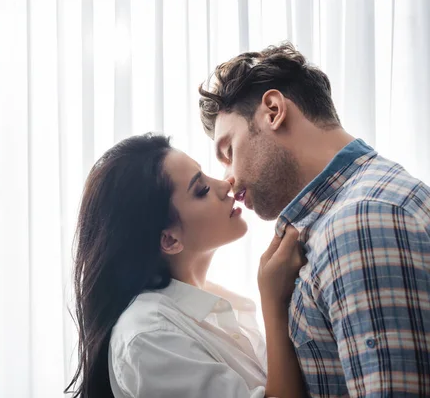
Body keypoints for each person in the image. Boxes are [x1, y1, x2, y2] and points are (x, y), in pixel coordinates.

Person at [199, 42, 430, 397]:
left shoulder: (360, 222)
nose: (227, 178)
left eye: (229, 151)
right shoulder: (349, 214)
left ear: (273, 111)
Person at [65, 133, 307, 397]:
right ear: (169, 239)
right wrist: (274, 303)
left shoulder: (219, 304)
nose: (226, 184)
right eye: (201, 190)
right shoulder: (149, 335)